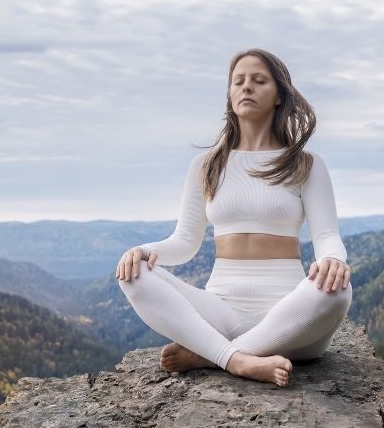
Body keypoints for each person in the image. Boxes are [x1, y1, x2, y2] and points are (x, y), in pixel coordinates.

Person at [115, 48, 352, 388]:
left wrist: (332, 260)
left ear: (279, 95)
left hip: (289, 321)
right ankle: (237, 359)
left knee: (339, 290)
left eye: (259, 81)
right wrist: (145, 249)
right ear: (229, 94)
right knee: (132, 273)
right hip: (220, 312)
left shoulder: (304, 165)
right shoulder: (207, 165)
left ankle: (212, 355)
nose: (246, 88)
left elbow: (327, 234)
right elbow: (184, 243)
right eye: (238, 81)